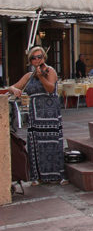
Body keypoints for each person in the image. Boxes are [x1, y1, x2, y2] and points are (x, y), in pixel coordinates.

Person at [8, 46, 67, 185]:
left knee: (52, 142)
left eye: (39, 57)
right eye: (33, 58)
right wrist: (15, 89)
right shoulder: (28, 76)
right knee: (36, 145)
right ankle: (38, 176)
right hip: (35, 114)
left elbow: (50, 88)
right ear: (30, 60)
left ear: (44, 58)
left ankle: (57, 175)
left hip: (50, 113)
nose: (36, 60)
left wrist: (41, 76)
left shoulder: (50, 71)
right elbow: (12, 87)